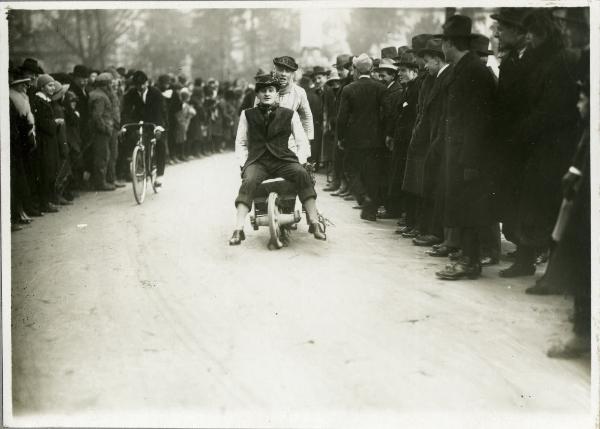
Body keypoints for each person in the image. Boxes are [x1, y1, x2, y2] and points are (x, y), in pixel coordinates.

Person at [498, 9, 580, 279]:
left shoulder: (559, 61)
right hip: (537, 144)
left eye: (533, 33)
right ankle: (526, 260)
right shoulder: (541, 59)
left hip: (553, 146)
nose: (529, 38)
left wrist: (522, 130)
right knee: (531, 205)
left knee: (547, 207)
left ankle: (549, 271)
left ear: (545, 33)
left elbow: (551, 109)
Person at [432, 15, 496, 281]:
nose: (442, 49)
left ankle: (470, 261)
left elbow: (479, 120)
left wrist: (470, 160)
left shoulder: (474, 71)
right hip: (457, 151)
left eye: (443, 44)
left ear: (450, 44)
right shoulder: (462, 69)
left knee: (469, 206)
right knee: (459, 204)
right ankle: (466, 256)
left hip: (469, 155)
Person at [229, 74, 326, 245]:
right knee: (248, 180)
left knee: (302, 174)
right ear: (257, 95)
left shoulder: (290, 114)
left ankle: (314, 222)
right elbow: (241, 142)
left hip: (283, 159)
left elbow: (302, 141)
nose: (267, 94)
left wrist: (302, 161)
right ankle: (238, 229)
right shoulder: (247, 114)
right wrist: (244, 163)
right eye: (263, 91)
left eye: (271, 90)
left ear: (276, 94)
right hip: (258, 161)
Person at [336, 53, 386, 221]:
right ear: (371, 69)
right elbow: (385, 114)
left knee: (351, 169)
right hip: (376, 139)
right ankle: (370, 209)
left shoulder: (349, 89)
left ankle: (363, 197)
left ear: (355, 70)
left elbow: (342, 117)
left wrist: (340, 137)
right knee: (372, 172)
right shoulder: (380, 88)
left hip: (354, 139)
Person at [121, 70, 167, 186]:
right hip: (138, 123)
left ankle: (159, 175)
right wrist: (126, 125)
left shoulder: (155, 93)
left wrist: (158, 127)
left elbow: (160, 111)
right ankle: (138, 166)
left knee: (160, 143)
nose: (140, 87)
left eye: (142, 84)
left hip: (154, 122)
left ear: (147, 83)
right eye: (137, 85)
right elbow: (126, 111)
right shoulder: (130, 94)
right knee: (132, 139)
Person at [376, 56, 403, 219]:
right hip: (387, 136)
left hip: (389, 138)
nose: (381, 78)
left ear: (392, 75)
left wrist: (388, 134)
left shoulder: (396, 91)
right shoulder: (390, 89)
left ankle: (391, 208)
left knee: (390, 174)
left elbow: (391, 116)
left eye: (383, 75)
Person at [30, 74, 60, 213]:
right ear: (42, 87)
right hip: (44, 141)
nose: (53, 88)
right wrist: (55, 123)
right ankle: (44, 202)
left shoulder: (45, 101)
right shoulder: (39, 102)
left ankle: (47, 200)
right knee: (45, 171)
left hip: (49, 141)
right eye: (50, 85)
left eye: (53, 85)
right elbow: (44, 123)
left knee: (49, 170)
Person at [88, 73, 116, 191]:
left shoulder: (95, 94)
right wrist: (105, 129)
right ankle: (100, 183)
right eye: (110, 83)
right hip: (101, 132)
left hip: (98, 130)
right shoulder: (101, 97)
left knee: (102, 156)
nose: (111, 86)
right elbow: (97, 116)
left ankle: (100, 181)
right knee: (102, 157)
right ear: (105, 85)